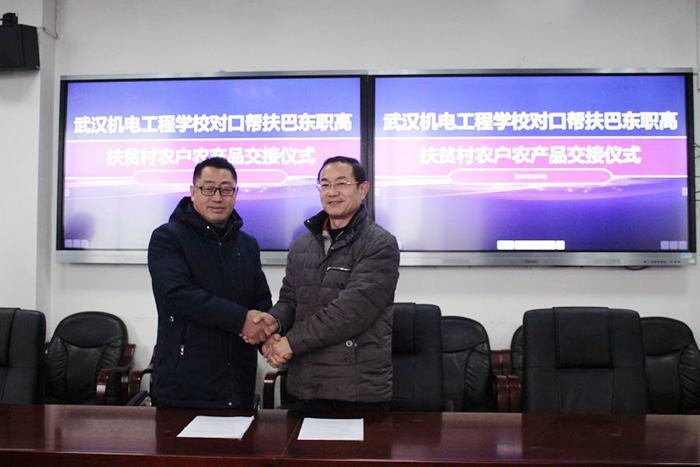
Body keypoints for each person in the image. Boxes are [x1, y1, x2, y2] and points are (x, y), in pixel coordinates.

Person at [262, 156, 400, 412]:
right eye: (325, 185)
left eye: (341, 183)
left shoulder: (379, 244)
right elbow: (290, 299)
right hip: (304, 384)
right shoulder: (302, 244)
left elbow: (350, 312)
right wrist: (272, 322)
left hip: (354, 390)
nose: (332, 192)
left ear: (363, 189)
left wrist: (289, 344)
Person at [148, 157, 277, 409]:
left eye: (226, 189)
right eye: (208, 188)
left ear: (235, 193)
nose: (217, 197)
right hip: (185, 385)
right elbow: (178, 296)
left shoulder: (247, 244)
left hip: (238, 383)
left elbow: (260, 298)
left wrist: (268, 336)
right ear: (193, 191)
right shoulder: (167, 237)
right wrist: (242, 320)